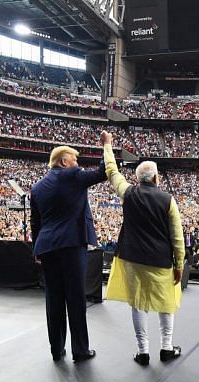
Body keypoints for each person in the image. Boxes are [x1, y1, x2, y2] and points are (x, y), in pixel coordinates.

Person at [102, 131, 185, 366]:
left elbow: (112, 172)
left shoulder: (128, 193)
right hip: (160, 260)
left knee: (137, 304)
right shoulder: (168, 200)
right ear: (157, 178)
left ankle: (143, 351)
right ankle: (167, 348)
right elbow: (177, 238)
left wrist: (108, 146)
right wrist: (179, 264)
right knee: (166, 301)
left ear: (138, 179)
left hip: (132, 258)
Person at [30, 143, 106, 363]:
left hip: (47, 247)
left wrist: (37, 248)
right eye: (75, 160)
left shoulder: (37, 187)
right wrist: (107, 145)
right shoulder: (72, 175)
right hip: (71, 245)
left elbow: (36, 222)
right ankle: (80, 350)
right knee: (75, 297)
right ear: (64, 162)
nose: (78, 164)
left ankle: (56, 349)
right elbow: (102, 172)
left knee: (53, 298)